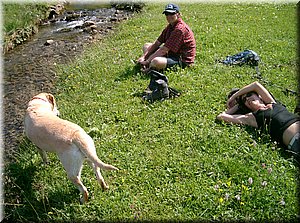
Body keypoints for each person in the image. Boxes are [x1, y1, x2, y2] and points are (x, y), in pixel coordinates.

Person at [217, 81, 300, 156]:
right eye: (244, 100)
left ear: (259, 96)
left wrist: (234, 96)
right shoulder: (253, 117)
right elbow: (221, 116)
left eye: (249, 95)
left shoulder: (272, 103)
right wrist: (238, 105)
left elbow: (256, 85)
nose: (248, 98)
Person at [137, 3, 196, 72]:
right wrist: (144, 56)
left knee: (156, 61)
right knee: (147, 46)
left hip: (182, 60)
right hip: (171, 54)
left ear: (178, 14)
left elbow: (163, 50)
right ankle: (148, 65)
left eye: (172, 14)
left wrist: (147, 61)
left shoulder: (179, 29)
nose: (169, 16)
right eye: (167, 14)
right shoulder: (170, 26)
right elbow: (157, 43)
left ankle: (149, 69)